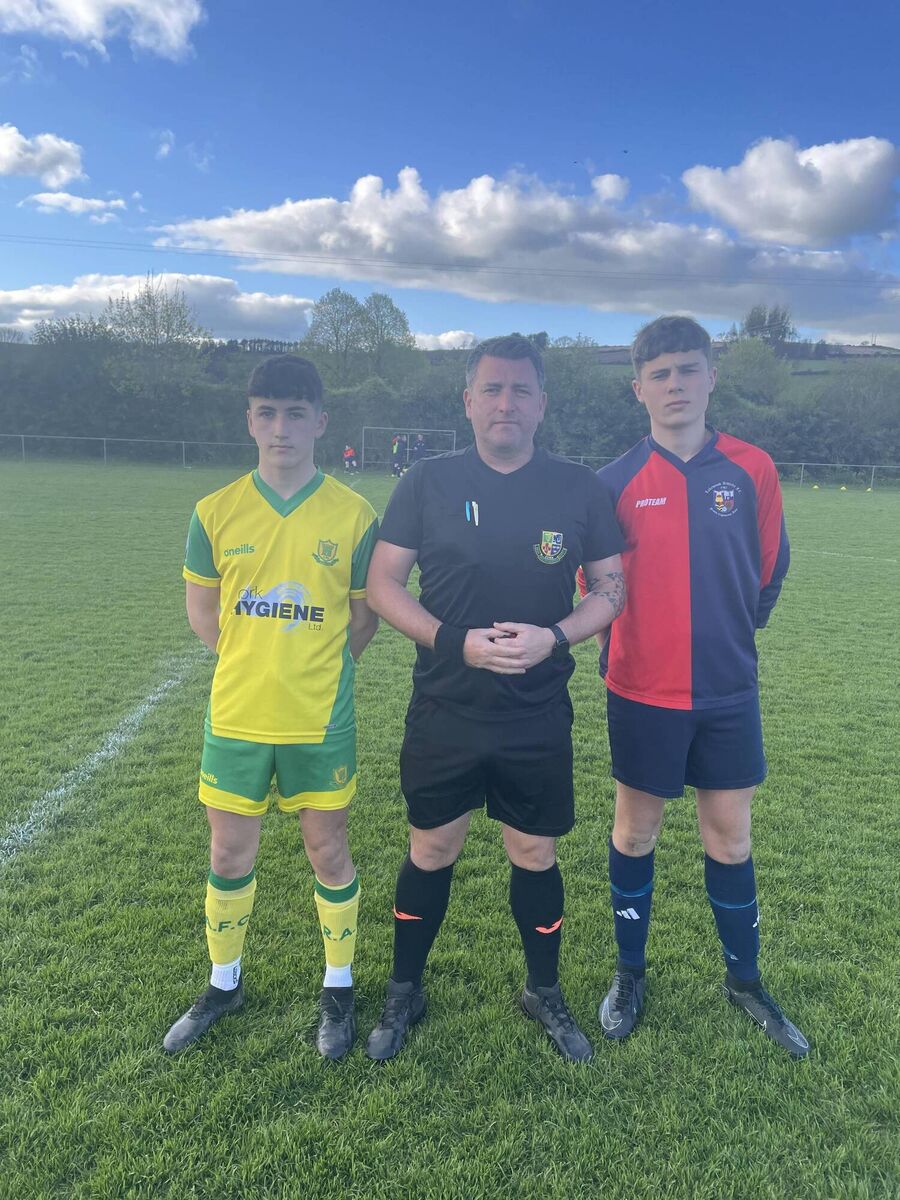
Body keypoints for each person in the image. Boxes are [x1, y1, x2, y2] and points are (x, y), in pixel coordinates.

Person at [364, 334, 625, 1062]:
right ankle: (404, 988)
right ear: (468, 401)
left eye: (520, 390)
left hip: (536, 712)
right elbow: (383, 586)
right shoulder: (426, 481)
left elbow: (611, 590)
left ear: (542, 402)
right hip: (445, 707)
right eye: (492, 389)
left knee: (533, 851)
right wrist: (455, 641)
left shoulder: (579, 488)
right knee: (432, 846)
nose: (505, 402)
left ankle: (543, 990)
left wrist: (555, 636)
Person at [584, 315, 809, 1057]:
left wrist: (727, 639)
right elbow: (593, 585)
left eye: (688, 369)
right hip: (641, 690)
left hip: (726, 691)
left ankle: (743, 980)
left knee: (731, 836)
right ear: (638, 388)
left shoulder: (753, 469)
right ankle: (630, 973)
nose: (675, 385)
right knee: (635, 831)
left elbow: (770, 570)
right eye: (660, 374)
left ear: (711, 376)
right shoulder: (612, 482)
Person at [164, 354, 379, 1059]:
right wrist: (258, 665)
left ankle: (338, 986)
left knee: (329, 850)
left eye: (295, 413)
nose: (280, 427)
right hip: (237, 718)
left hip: (320, 720)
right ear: (250, 420)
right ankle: (224, 983)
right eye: (267, 412)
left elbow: (363, 619)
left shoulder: (353, 515)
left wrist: (310, 668)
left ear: (321, 421)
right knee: (229, 851)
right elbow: (204, 614)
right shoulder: (214, 511)